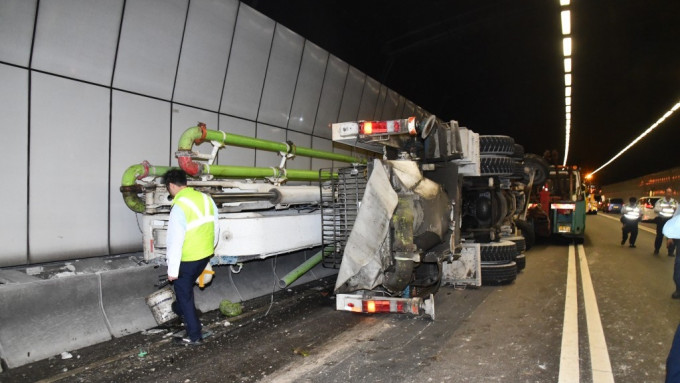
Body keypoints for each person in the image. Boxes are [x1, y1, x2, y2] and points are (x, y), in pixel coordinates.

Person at [164, 169, 219, 346]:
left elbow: (175, 240)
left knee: (183, 293)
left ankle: (194, 335)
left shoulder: (179, 206)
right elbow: (216, 225)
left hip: (187, 258)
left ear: (172, 185)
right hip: (203, 254)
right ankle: (180, 309)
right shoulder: (206, 198)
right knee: (184, 291)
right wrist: (211, 249)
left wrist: (172, 270)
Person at [654, 188, 678, 255]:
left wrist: (676, 209)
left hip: (671, 220)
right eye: (668, 192)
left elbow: (678, 211)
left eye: (670, 192)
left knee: (671, 236)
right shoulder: (660, 201)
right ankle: (657, 249)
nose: (669, 194)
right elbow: (655, 209)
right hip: (661, 220)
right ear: (665, 193)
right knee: (659, 236)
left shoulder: (675, 202)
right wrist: (664, 208)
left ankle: (670, 252)